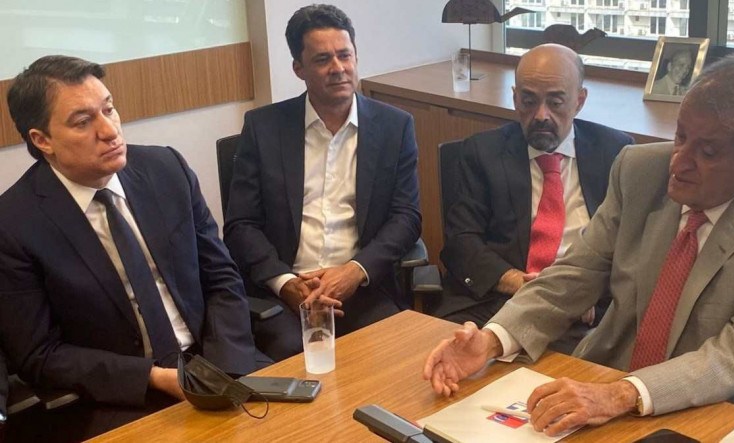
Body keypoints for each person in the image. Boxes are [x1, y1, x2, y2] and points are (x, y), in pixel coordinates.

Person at [423, 54, 734, 436]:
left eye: (707, 153)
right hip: (616, 376)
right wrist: (491, 340)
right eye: (680, 137)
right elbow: (575, 275)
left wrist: (620, 394)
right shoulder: (639, 170)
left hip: (730, 408)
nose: (679, 163)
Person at [0, 55, 260, 441]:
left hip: (214, 361)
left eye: (109, 109)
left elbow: (221, 277)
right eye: (83, 122)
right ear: (42, 140)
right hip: (118, 397)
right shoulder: (13, 224)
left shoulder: (166, 169)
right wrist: (152, 377)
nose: (110, 131)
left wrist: (225, 366)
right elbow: (39, 354)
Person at [224, 4, 421, 361]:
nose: (338, 68)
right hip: (288, 294)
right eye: (322, 59)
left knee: (393, 356)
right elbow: (241, 225)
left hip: (362, 287)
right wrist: (286, 283)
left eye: (345, 55)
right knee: (294, 363)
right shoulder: (263, 128)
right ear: (298, 69)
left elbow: (406, 218)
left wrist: (354, 271)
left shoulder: (396, 127)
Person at [428, 44, 633, 353]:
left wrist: (583, 292)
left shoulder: (615, 152)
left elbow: (629, 247)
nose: (541, 115)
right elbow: (461, 241)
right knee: (449, 359)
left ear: (579, 101)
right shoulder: (482, 152)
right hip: (497, 300)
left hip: (584, 313)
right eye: (529, 100)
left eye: (555, 102)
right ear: (515, 98)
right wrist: (516, 281)